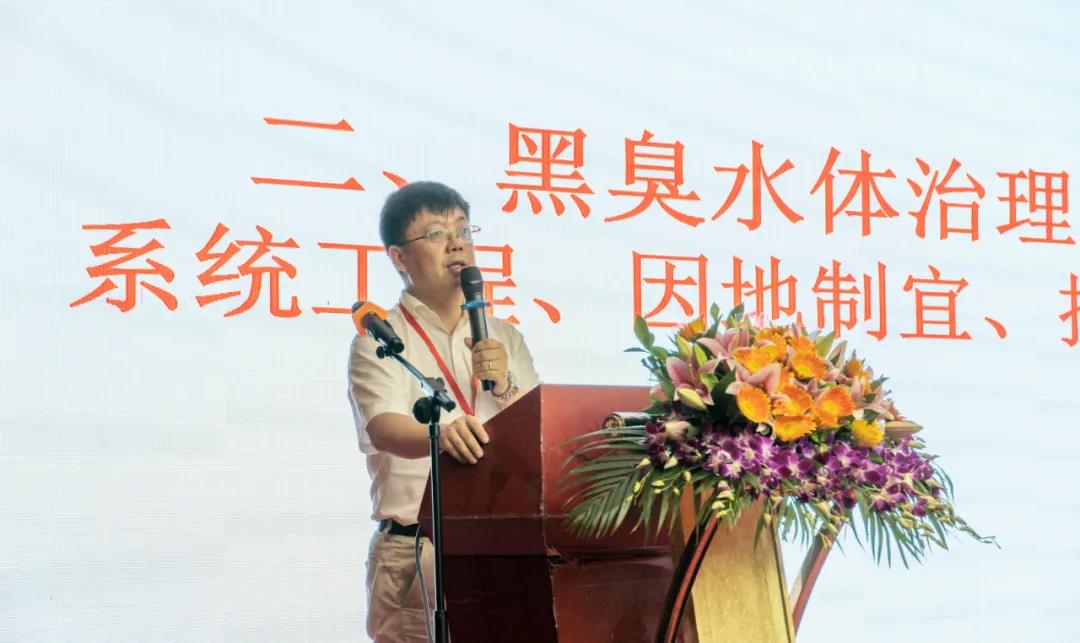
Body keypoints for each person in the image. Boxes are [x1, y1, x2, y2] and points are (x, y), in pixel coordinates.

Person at [347, 181, 540, 642]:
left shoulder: (505, 337)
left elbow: (537, 432)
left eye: (463, 230)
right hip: (416, 549)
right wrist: (442, 435)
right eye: (436, 233)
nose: (456, 243)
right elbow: (384, 427)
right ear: (399, 257)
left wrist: (505, 383)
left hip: (503, 548)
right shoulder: (380, 340)